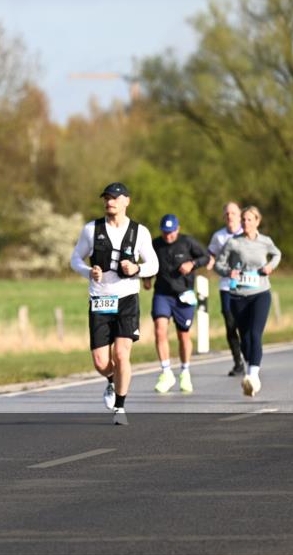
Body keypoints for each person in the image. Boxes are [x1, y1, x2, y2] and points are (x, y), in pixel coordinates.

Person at [70, 182, 159, 425]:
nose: (110, 202)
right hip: (100, 299)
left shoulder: (140, 232)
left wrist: (137, 269)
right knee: (101, 363)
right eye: (107, 198)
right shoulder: (91, 229)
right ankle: (111, 379)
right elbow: (75, 259)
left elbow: (154, 264)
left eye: (115, 198)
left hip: (127, 299)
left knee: (121, 354)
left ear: (126, 201)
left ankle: (120, 407)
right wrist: (89, 272)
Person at [214, 206, 281, 397]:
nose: (245, 223)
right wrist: (228, 272)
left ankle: (252, 375)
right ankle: (250, 368)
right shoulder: (233, 242)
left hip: (260, 293)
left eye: (250, 219)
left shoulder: (265, 241)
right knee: (244, 338)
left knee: (255, 333)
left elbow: (277, 254)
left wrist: (270, 266)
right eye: (243, 219)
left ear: (257, 221)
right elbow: (219, 264)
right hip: (238, 295)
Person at [143, 214, 209, 394]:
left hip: (184, 295)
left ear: (177, 229)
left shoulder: (187, 242)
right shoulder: (155, 244)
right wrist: (147, 279)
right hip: (162, 294)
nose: (168, 236)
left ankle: (185, 372)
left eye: (171, 232)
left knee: (183, 335)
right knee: (160, 330)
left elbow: (206, 257)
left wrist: (192, 263)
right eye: (165, 232)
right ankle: (166, 372)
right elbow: (149, 264)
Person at [207, 202, 245, 375]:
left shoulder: (247, 234)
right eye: (227, 213)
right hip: (226, 286)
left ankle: (250, 358)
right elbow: (211, 255)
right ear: (224, 216)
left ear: (239, 215)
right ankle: (238, 362)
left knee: (245, 325)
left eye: (233, 213)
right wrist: (208, 263)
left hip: (247, 285)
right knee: (230, 324)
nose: (230, 216)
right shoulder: (219, 236)